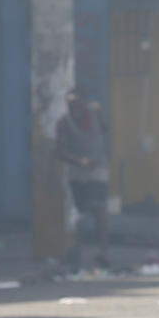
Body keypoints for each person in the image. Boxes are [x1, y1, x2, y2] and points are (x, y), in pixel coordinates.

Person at [56, 90, 109, 268]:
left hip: (98, 169)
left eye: (77, 104)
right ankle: (77, 253)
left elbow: (106, 129)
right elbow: (60, 152)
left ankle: (103, 252)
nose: (74, 109)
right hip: (77, 172)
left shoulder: (95, 115)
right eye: (71, 106)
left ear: (85, 103)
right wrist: (80, 161)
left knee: (99, 208)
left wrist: (100, 112)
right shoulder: (64, 123)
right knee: (80, 213)